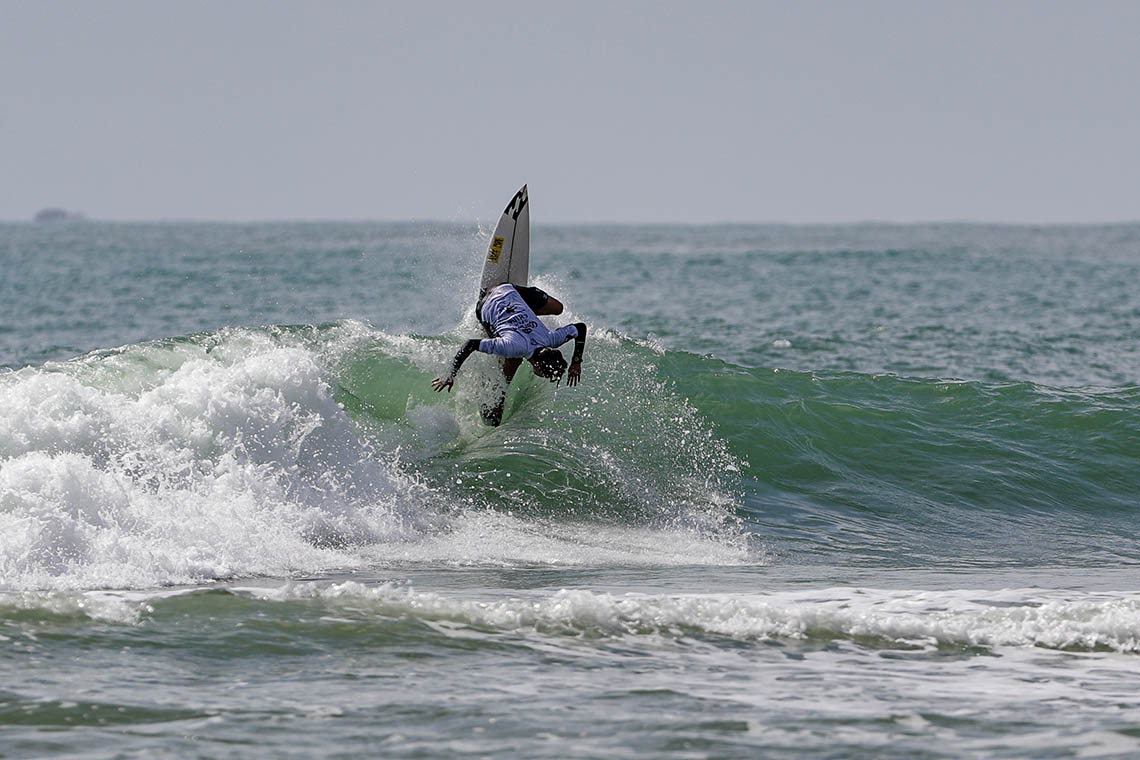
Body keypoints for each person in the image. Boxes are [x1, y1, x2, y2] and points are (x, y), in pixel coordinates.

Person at [432, 283, 587, 425]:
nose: (546, 377)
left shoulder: (551, 339)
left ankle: (522, 312)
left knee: (558, 308)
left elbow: (580, 328)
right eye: (546, 375)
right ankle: (494, 399)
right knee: (513, 361)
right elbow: (470, 344)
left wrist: (576, 362)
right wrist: (451, 374)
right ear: (538, 368)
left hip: (508, 288)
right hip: (484, 305)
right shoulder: (513, 347)